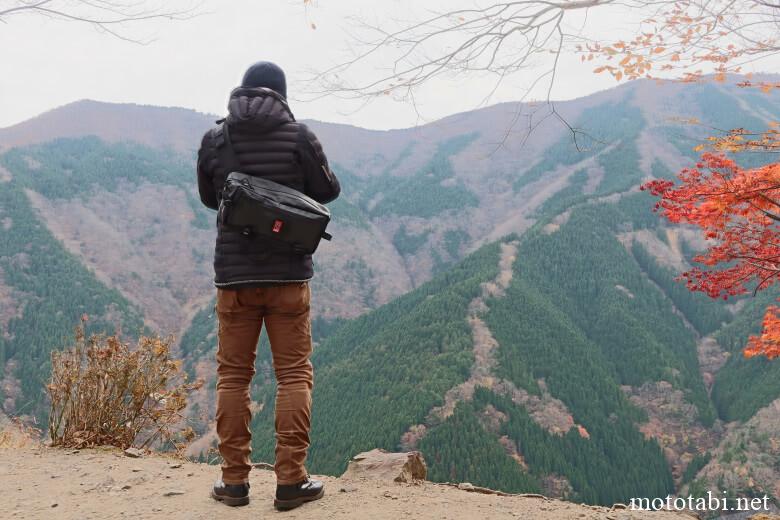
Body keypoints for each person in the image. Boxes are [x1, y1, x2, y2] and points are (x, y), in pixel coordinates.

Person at [196, 61, 340, 510]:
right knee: (294, 374)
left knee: (234, 377)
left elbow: (208, 198)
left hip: (234, 277)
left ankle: (234, 482)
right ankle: (291, 482)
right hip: (288, 276)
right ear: (280, 94)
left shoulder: (215, 139)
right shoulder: (299, 136)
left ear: (241, 91)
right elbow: (328, 192)